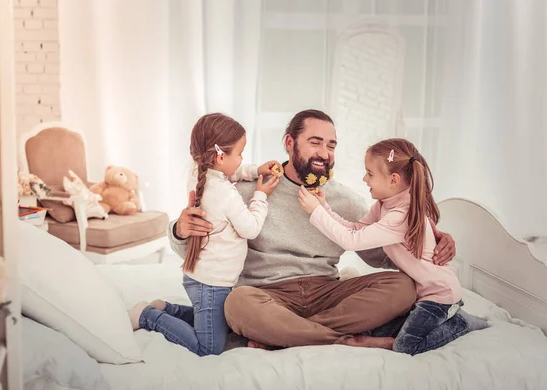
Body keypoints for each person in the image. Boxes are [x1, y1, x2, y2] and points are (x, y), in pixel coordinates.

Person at [169, 109, 457, 350]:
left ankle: (284, 335)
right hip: (269, 296)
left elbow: (383, 254)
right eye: (315, 142)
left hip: (327, 294)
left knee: (403, 287)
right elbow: (196, 250)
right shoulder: (249, 192)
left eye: (331, 146)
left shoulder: (345, 200)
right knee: (237, 304)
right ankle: (340, 340)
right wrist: (180, 230)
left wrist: (427, 240)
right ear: (290, 143)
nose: (324, 153)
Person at [298, 138, 488, 354]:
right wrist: (323, 206)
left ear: (393, 180)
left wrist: (316, 212)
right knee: (375, 329)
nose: (364, 178)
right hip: (418, 294)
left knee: (405, 345)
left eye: (370, 174)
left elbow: (350, 241)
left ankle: (460, 323)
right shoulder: (385, 205)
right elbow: (355, 230)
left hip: (438, 296)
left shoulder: (400, 216)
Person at [128, 113, 281, 356]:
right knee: (208, 347)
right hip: (212, 284)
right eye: (240, 153)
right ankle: (148, 316)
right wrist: (261, 195)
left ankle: (167, 310)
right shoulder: (225, 194)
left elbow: (231, 171)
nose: (242, 159)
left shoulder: (200, 173)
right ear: (220, 156)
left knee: (213, 322)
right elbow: (250, 228)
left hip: (202, 278)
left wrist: (254, 170)